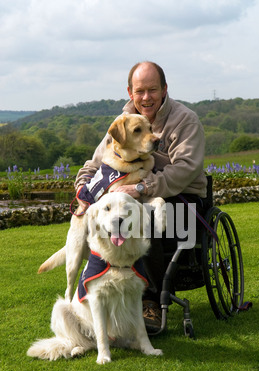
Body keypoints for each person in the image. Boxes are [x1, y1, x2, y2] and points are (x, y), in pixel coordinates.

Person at [75, 61, 208, 334]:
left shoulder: (185, 120)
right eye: (140, 91)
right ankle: (101, 294)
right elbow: (95, 163)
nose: (146, 97)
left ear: (164, 90)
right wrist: (82, 193)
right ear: (130, 92)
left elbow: (185, 169)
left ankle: (151, 300)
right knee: (108, 218)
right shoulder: (121, 124)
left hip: (184, 199)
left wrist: (142, 188)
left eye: (152, 90)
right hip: (137, 198)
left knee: (142, 216)